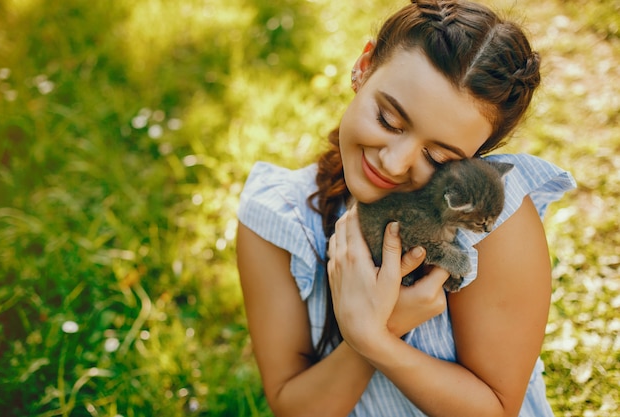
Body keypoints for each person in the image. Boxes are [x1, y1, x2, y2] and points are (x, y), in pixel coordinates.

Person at [236, 0, 576, 416]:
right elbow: (296, 408)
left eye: (438, 158)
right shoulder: (279, 219)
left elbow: (495, 410)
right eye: (389, 121)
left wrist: (374, 337)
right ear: (363, 66)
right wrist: (379, 327)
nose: (394, 163)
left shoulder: (488, 222)